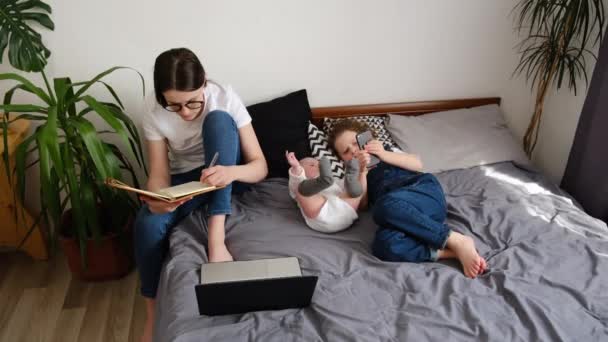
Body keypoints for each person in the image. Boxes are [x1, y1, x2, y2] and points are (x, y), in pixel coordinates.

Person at [134, 48, 267, 342]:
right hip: (187, 181)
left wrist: (230, 173)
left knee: (218, 119)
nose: (185, 112)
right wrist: (159, 199)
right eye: (174, 105)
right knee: (146, 223)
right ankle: (151, 313)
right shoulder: (152, 110)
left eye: (192, 101)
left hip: (228, 173)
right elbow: (159, 173)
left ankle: (215, 239)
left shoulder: (224, 97)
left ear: (204, 82)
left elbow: (260, 167)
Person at [328, 119, 487, 278]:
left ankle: (455, 239)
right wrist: (362, 171)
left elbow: (417, 164)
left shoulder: (387, 150)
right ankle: (449, 252)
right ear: (342, 160)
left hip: (423, 193)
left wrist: (383, 154)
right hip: (402, 217)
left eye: (355, 143)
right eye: (346, 152)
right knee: (383, 245)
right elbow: (362, 205)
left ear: (366, 139)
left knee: (384, 206)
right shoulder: (351, 177)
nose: (353, 151)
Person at [285, 152, 364, 233]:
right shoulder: (302, 179)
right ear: (303, 171)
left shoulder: (333, 180)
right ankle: (351, 184)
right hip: (321, 213)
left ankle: (351, 179)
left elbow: (343, 186)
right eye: (312, 165)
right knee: (300, 189)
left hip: (344, 209)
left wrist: (346, 183)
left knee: (350, 192)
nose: (318, 166)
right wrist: (296, 168)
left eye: (319, 164)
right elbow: (295, 185)